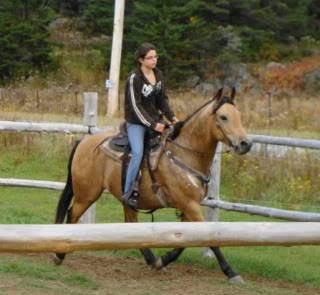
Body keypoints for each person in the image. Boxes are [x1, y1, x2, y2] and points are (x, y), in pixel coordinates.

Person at [123, 42, 178, 209]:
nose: (154, 60)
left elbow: (162, 99)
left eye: (155, 57)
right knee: (138, 153)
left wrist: (172, 116)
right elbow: (135, 106)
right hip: (137, 123)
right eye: (150, 58)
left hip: (156, 121)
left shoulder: (158, 73)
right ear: (141, 60)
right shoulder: (134, 79)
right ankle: (129, 192)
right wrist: (152, 124)